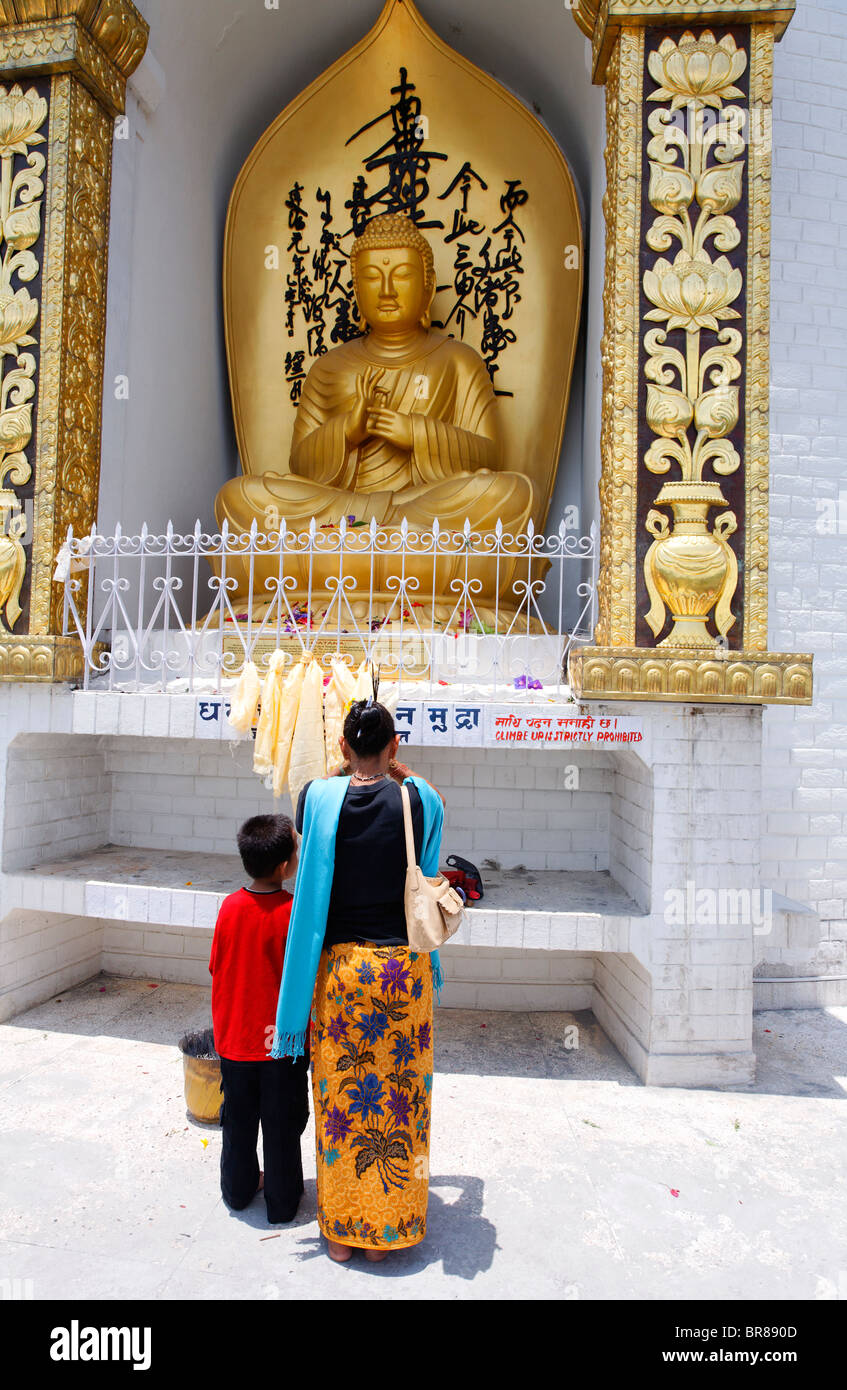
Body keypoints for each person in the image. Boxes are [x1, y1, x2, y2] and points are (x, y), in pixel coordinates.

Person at [271, 698, 446, 1263]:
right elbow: (430, 836)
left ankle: (343, 1233)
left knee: (342, 1102)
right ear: (395, 747)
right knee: (400, 1102)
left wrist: (353, 764)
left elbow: (319, 798)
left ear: (343, 748)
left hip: (342, 976)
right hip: (403, 974)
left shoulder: (319, 800)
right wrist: (396, 768)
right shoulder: (420, 799)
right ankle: (385, 1234)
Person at [209, 814, 309, 1224]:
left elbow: (216, 966)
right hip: (280, 1044)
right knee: (283, 1126)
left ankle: (237, 1191)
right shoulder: (292, 913)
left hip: (234, 1041)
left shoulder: (229, 907)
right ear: (285, 866)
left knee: (238, 1121)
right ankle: (282, 1204)